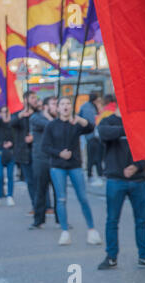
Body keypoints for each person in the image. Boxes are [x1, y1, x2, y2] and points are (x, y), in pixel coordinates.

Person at [41, 97, 102, 245]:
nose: (65, 106)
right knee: (61, 199)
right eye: (62, 104)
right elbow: (45, 146)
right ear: (58, 108)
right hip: (57, 167)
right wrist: (59, 153)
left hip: (75, 166)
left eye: (68, 103)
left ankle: (92, 230)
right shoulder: (51, 125)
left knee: (83, 198)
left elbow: (91, 127)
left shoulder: (76, 123)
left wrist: (79, 119)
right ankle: (64, 231)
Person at [97, 105, 145, 269]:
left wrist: (136, 166)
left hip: (138, 179)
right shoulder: (107, 121)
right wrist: (127, 127)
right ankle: (111, 256)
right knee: (112, 220)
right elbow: (104, 133)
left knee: (141, 221)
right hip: (115, 179)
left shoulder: (140, 123)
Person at [29, 96, 59, 229]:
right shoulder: (36, 117)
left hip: (55, 159)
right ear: (46, 107)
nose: (57, 106)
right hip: (41, 160)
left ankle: (61, 220)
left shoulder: (58, 119)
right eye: (54, 104)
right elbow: (49, 126)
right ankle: (38, 221)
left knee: (59, 192)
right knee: (40, 191)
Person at [11, 91, 37, 213]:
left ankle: (46, 206)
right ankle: (35, 206)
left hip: (37, 153)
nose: (35, 100)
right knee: (30, 182)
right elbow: (11, 123)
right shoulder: (18, 115)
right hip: (23, 153)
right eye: (32, 98)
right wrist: (21, 115)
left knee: (41, 181)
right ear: (26, 99)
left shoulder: (38, 113)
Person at [78, 92, 104, 186]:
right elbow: (95, 121)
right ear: (95, 99)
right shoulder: (91, 108)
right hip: (93, 135)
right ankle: (95, 175)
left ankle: (92, 174)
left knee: (91, 156)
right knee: (95, 156)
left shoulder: (85, 106)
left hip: (89, 135)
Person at [0, 106, 15, 207]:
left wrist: (11, 143)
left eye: (6, 111)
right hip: (0, 152)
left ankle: (10, 196)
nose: (5, 113)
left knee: (10, 176)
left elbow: (16, 137)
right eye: (3, 111)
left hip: (11, 153)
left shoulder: (13, 123)